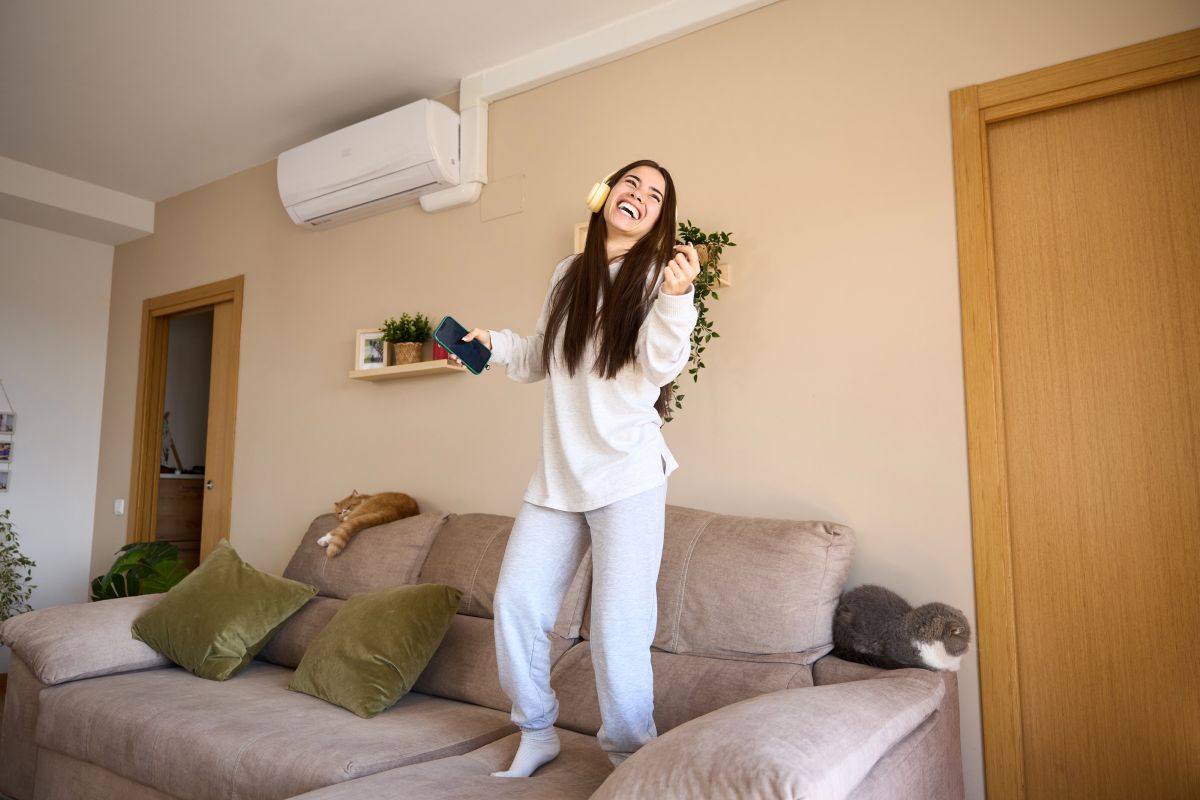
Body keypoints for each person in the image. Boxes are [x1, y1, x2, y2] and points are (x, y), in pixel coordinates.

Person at [454, 159, 700, 778]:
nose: (638, 197)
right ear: (604, 196)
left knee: (619, 631)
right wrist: (493, 346)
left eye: (653, 196)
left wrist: (676, 299)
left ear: (657, 220)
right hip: (558, 477)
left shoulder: (655, 282)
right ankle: (537, 730)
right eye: (630, 184)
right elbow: (543, 354)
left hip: (628, 476)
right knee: (515, 605)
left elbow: (661, 366)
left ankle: (628, 758)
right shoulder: (568, 274)